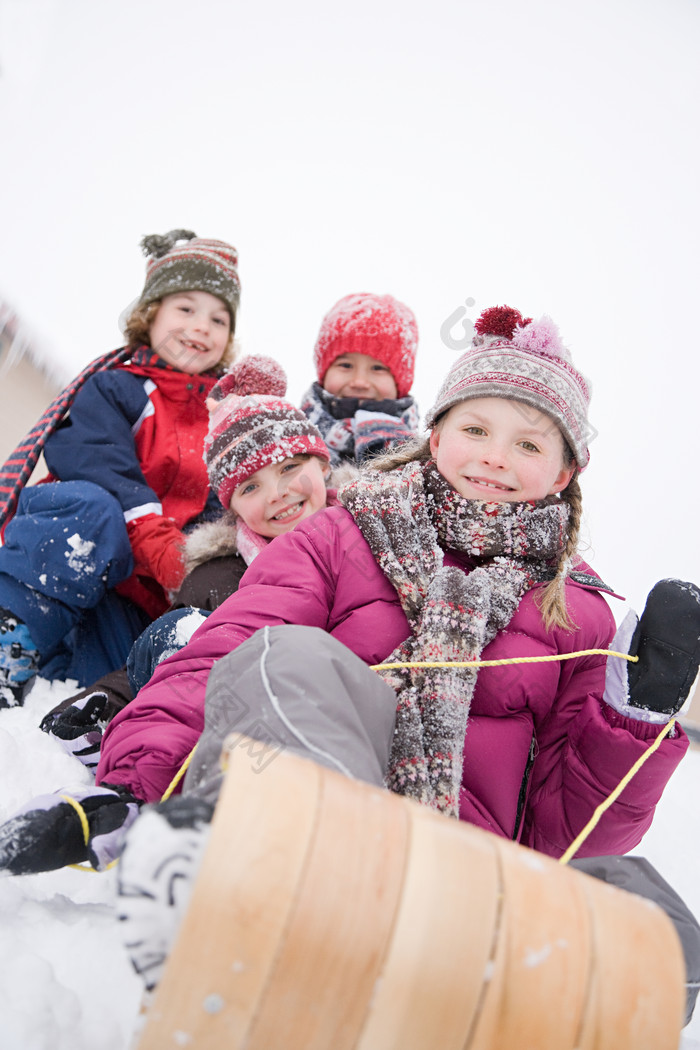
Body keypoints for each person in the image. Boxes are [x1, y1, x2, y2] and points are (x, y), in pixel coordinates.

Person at [1, 305, 698, 877]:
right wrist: (128, 792)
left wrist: (633, 721)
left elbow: (567, 839)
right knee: (291, 657)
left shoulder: (577, 616)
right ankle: (218, 868)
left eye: (528, 445)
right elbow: (221, 655)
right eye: (476, 428)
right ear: (435, 433)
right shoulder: (342, 536)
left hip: (455, 874)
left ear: (565, 474)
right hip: (288, 825)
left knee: (655, 908)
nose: (493, 455)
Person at [37, 354, 334, 773]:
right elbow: (175, 658)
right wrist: (110, 699)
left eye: (290, 467)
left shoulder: (369, 533)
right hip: (253, 721)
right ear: (230, 507)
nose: (278, 494)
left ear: (322, 464)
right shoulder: (221, 575)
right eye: (250, 486)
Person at [0, 229, 241, 704]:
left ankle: (66, 697)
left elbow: (223, 506)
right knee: (92, 509)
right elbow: (101, 469)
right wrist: (164, 547)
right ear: (150, 314)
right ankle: (13, 637)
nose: (201, 327)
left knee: (100, 684)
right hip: (76, 551)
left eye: (219, 319)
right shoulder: (115, 389)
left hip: (135, 593)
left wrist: (203, 569)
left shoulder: (222, 420)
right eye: (186, 309)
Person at [300, 291, 420, 465]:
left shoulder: (424, 460)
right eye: (346, 366)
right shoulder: (290, 443)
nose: (359, 382)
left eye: (377, 368)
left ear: (400, 382)